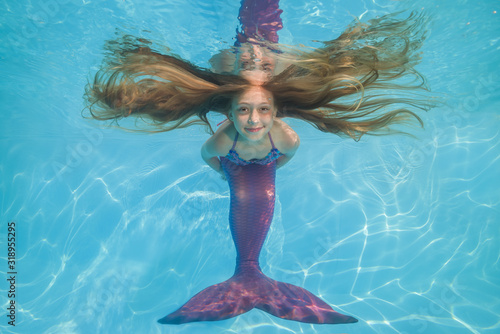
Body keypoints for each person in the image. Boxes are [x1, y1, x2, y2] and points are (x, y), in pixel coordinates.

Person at [84, 1, 433, 324]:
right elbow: (207, 155)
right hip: (236, 163)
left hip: (264, 162)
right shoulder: (224, 139)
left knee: (262, 199)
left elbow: (289, 153)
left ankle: (250, 275)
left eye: (263, 110)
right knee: (242, 199)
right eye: (243, 111)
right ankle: (246, 274)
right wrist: (225, 170)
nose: (253, 121)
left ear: (276, 112)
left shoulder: (284, 138)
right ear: (232, 114)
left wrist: (272, 165)